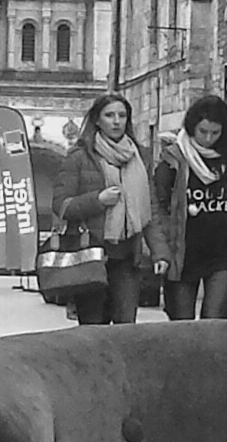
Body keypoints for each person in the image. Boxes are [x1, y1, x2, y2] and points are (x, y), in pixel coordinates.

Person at [147, 94, 227, 321]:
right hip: (183, 252)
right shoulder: (173, 159)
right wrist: (162, 250)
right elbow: (158, 206)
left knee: (216, 319)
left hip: (222, 251)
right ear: (192, 127)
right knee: (182, 323)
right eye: (203, 132)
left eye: (215, 133)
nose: (208, 139)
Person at [53, 92, 153, 326]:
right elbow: (61, 204)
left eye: (122, 116)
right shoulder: (79, 157)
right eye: (110, 115)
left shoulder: (139, 156)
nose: (117, 121)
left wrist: (160, 252)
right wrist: (98, 199)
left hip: (128, 254)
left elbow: (152, 208)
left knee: (126, 326)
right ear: (97, 120)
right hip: (92, 255)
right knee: (93, 327)